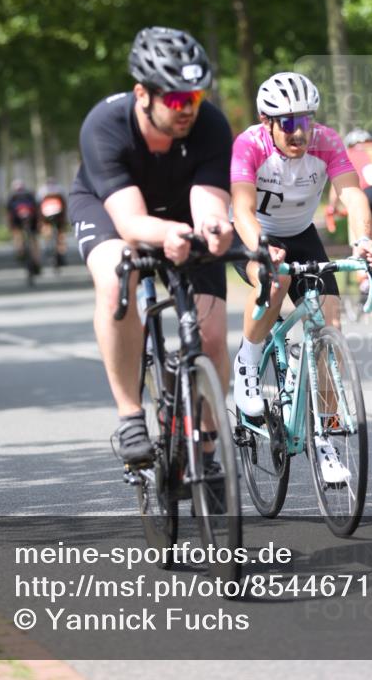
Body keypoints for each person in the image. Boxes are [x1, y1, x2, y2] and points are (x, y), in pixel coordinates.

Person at [68, 26, 234, 465]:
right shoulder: (105, 125)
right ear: (143, 94)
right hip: (110, 209)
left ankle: (206, 447)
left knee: (213, 336)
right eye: (177, 100)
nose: (189, 110)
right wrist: (167, 235)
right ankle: (129, 416)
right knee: (119, 272)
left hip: (180, 211)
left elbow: (209, 206)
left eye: (196, 97)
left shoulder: (211, 126)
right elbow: (130, 222)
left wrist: (214, 229)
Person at [231, 72, 372, 419]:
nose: (298, 132)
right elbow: (241, 209)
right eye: (287, 123)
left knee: (329, 328)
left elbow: (353, 196)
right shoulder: (250, 144)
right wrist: (261, 247)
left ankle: (328, 437)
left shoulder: (326, 142)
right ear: (265, 121)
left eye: (305, 121)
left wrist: (363, 241)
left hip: (302, 234)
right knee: (276, 280)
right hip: (254, 232)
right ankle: (248, 363)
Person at [327, 130, 372, 270]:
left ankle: (361, 268)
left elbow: (336, 185)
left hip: (370, 190)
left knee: (356, 214)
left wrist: (332, 206)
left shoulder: (349, 152)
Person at [6, 179, 41, 270]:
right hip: (31, 218)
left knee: (17, 234)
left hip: (17, 219)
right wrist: (38, 223)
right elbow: (37, 210)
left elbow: (9, 214)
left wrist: (10, 226)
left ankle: (20, 250)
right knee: (33, 239)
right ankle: (36, 260)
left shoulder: (12, 197)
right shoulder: (30, 195)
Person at [36, 178, 68, 269]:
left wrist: (40, 221)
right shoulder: (60, 189)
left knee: (47, 229)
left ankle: (47, 246)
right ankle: (62, 252)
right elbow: (64, 204)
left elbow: (39, 207)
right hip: (59, 215)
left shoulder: (42, 191)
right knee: (61, 233)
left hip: (46, 216)